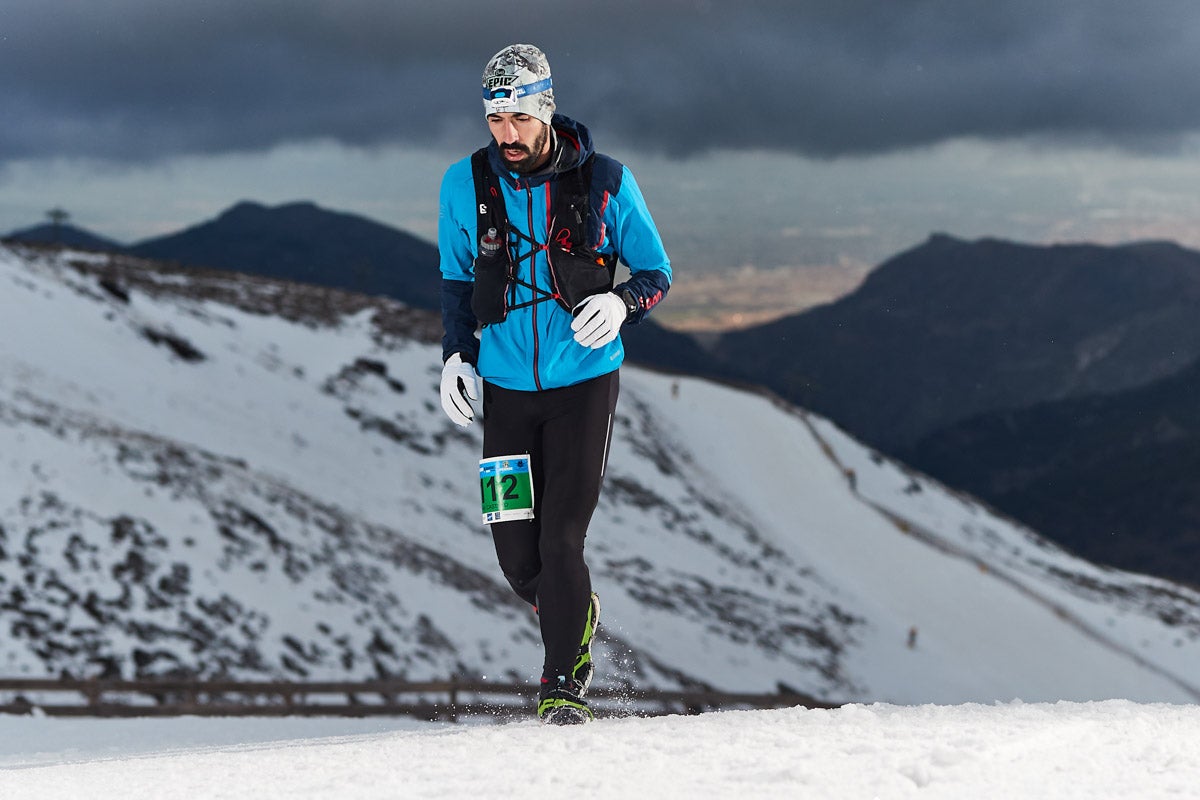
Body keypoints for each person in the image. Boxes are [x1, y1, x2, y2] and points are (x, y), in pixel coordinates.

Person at [437, 43, 672, 724]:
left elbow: (657, 274)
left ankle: (561, 684)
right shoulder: (463, 183)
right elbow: (456, 279)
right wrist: (456, 356)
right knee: (518, 559)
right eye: (493, 119)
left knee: (560, 539)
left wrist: (622, 303)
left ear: (544, 108)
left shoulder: (605, 180)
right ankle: (576, 612)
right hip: (506, 389)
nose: (504, 134)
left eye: (516, 118)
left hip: (582, 385)